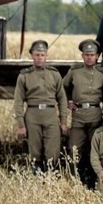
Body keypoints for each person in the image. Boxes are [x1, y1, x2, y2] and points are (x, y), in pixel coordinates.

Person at [13, 40, 68, 173]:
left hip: (50, 115)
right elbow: (18, 101)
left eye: (42, 55)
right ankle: (36, 178)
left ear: (46, 56)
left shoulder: (54, 74)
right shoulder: (24, 75)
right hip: (33, 115)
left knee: (53, 151)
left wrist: (64, 122)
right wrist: (21, 125)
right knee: (35, 151)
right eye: (37, 54)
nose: (40, 58)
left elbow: (62, 98)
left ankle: (51, 178)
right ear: (32, 55)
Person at [62, 39, 103, 187]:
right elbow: (62, 88)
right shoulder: (74, 71)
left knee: (95, 150)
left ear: (97, 56)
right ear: (82, 56)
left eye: (92, 54)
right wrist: (68, 100)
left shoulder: (102, 73)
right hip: (78, 116)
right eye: (86, 54)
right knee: (74, 149)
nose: (89, 57)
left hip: (95, 115)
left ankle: (94, 180)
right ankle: (72, 180)